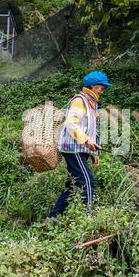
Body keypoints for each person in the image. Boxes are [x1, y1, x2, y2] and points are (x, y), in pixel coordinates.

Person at [47, 71, 112, 220]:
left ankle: (52, 217)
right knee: (87, 181)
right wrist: (86, 141)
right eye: (102, 87)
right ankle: (88, 219)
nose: (103, 91)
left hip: (81, 149)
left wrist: (94, 153)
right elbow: (71, 124)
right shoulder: (80, 101)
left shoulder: (91, 103)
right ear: (93, 86)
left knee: (73, 185)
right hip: (73, 148)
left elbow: (91, 128)